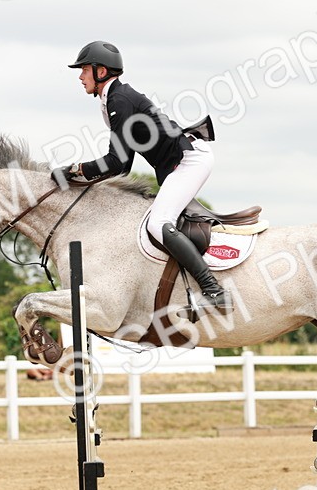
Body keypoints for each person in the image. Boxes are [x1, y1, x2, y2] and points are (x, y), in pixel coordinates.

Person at [54, 41, 231, 315]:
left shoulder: (119, 100)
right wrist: (78, 177)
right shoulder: (113, 100)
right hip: (183, 162)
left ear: (101, 71)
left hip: (190, 160)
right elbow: (122, 167)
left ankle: (214, 291)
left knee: (159, 222)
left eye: (84, 70)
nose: (80, 76)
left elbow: (116, 162)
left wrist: (75, 170)